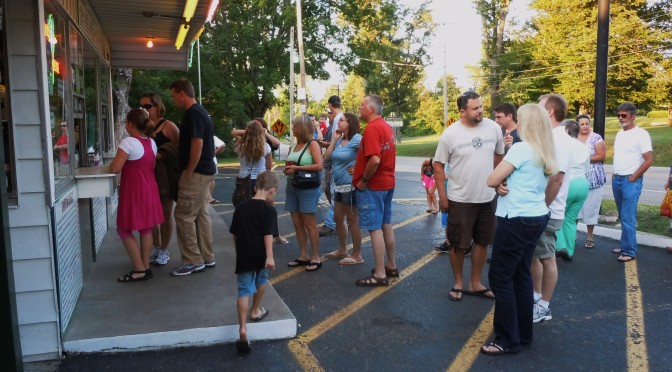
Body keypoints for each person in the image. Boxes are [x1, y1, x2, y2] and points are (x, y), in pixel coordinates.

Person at [481, 104, 556, 355]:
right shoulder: (545, 149)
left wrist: (499, 181)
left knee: (500, 278)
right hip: (536, 216)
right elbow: (514, 179)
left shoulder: (521, 148)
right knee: (521, 275)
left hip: (515, 218)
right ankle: (523, 335)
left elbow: (492, 179)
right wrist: (504, 181)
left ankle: (506, 339)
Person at [433, 91, 504, 301]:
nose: (480, 110)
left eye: (481, 106)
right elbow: (438, 166)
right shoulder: (450, 134)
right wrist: (443, 197)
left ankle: (475, 283)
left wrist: (497, 177)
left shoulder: (493, 128)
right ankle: (458, 283)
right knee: (458, 244)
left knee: (483, 241)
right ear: (462, 111)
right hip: (460, 198)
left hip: (487, 197)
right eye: (475, 108)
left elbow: (499, 154)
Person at [527, 93, 573, 323]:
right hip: (540, 209)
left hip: (548, 210)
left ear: (549, 112)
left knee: (547, 257)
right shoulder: (548, 137)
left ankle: (544, 306)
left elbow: (556, 179)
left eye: (539, 106)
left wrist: (542, 207)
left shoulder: (559, 140)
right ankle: (536, 298)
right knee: (536, 255)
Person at [169, 78, 217, 276]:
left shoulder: (193, 114)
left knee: (183, 215)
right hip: (205, 171)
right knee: (201, 214)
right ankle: (207, 257)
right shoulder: (202, 112)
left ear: (182, 93)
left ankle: (192, 260)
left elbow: (197, 145)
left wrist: (188, 171)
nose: (173, 100)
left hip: (196, 173)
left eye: (174, 96)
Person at [109, 108, 164, 282]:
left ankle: (139, 268)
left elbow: (115, 168)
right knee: (146, 227)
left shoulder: (128, 143)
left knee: (123, 228)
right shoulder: (152, 143)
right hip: (150, 188)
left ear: (131, 124)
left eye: (126, 122)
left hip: (134, 191)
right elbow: (152, 165)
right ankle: (145, 266)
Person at [229, 171, 279, 354]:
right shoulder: (269, 210)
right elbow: (268, 234)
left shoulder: (241, 208)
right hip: (260, 255)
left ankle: (242, 328)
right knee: (261, 280)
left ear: (256, 187)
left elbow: (234, 233)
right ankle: (255, 310)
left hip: (244, 254)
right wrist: (270, 256)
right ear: (272, 190)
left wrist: (238, 252)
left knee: (243, 289)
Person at [354, 94, 398, 287]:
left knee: (374, 229)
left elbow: (374, 160)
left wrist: (363, 181)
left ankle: (380, 274)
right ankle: (390, 265)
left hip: (374, 186)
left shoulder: (372, 129)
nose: (360, 107)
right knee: (385, 224)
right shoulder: (386, 126)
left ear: (371, 108)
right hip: (387, 183)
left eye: (362, 104)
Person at [141, 93, 180, 267]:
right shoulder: (142, 126)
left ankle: (164, 249)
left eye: (147, 106)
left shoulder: (168, 126)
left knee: (165, 214)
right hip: (147, 176)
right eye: (141, 106)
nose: (144, 109)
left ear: (157, 106)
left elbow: (180, 150)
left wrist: (163, 154)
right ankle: (156, 247)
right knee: (150, 214)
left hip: (165, 177)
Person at [611, 102, 653, 262]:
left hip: (631, 181)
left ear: (633, 116)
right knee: (623, 216)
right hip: (618, 180)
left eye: (624, 115)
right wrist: (615, 173)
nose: (621, 118)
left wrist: (634, 177)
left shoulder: (641, 134)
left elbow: (648, 160)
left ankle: (629, 251)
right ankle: (625, 246)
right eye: (619, 115)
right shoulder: (619, 134)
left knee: (628, 217)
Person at [323, 113, 364, 265]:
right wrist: (333, 139)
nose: (337, 122)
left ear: (350, 123)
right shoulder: (340, 140)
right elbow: (327, 157)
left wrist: (360, 168)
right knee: (338, 218)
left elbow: (373, 153)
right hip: (338, 186)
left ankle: (357, 255)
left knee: (353, 220)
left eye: (341, 120)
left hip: (351, 186)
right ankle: (342, 250)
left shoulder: (357, 139)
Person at [284, 116, 324, 272]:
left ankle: (315, 257)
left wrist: (297, 169)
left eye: (294, 126)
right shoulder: (295, 145)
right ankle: (303, 255)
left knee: (309, 223)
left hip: (307, 188)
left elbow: (319, 165)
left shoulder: (312, 144)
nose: (292, 128)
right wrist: (289, 169)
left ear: (301, 127)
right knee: (297, 222)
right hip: (292, 186)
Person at [555, 120, 589, 261]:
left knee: (559, 215)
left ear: (566, 130)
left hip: (569, 183)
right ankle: (569, 251)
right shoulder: (583, 146)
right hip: (582, 184)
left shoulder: (564, 145)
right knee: (571, 218)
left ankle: (560, 246)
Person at [576, 114, 606, 248]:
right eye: (582, 124)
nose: (585, 126)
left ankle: (589, 237)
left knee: (591, 208)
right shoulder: (573, 137)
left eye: (587, 123)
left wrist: (584, 158)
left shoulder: (596, 138)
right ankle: (572, 235)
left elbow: (601, 156)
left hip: (594, 179)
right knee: (575, 209)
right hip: (577, 177)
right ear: (577, 125)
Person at [317, 96, 344, 237]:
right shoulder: (339, 118)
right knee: (332, 191)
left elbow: (337, 141)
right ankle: (340, 219)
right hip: (334, 161)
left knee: (336, 193)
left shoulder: (338, 119)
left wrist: (327, 146)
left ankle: (331, 223)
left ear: (330, 106)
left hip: (337, 162)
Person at [231, 120, 273, 193]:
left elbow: (233, 132)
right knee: (259, 202)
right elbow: (269, 167)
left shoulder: (241, 146)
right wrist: (256, 131)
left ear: (247, 132)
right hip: (260, 179)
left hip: (243, 178)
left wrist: (250, 131)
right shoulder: (265, 147)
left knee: (243, 201)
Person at [207, 135, 226, 204]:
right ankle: (209, 197)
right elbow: (223, 145)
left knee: (208, 179)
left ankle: (208, 197)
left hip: (208, 160)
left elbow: (223, 145)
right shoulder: (212, 137)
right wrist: (214, 152)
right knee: (211, 179)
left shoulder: (211, 137)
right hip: (211, 160)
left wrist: (214, 153)